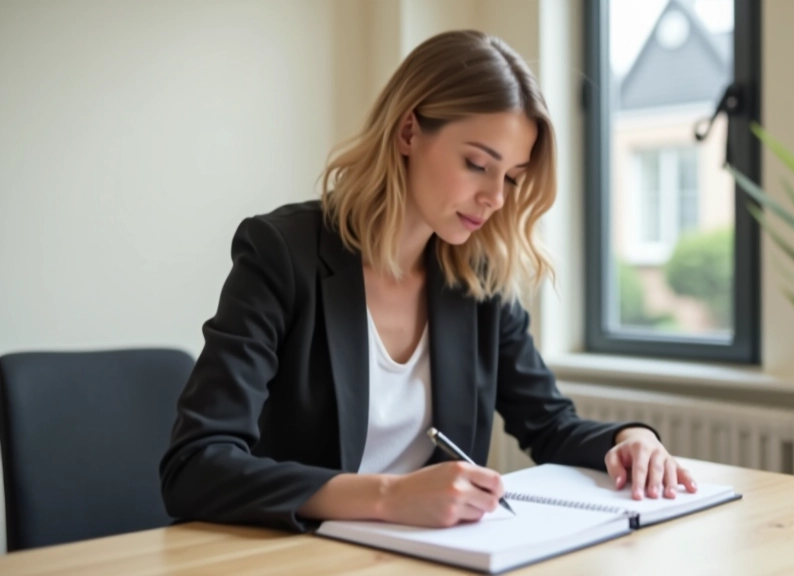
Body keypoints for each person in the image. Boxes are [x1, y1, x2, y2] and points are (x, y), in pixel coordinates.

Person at [159, 29, 697, 534]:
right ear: (409, 131)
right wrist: (389, 497)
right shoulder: (282, 254)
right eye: (477, 164)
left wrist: (631, 438)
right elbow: (195, 466)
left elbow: (550, 424)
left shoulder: (476, 278)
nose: (497, 198)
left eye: (511, 177)